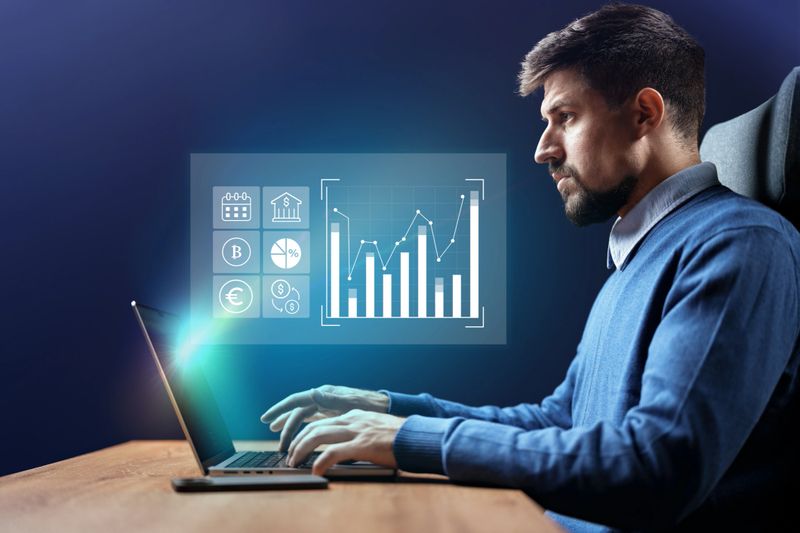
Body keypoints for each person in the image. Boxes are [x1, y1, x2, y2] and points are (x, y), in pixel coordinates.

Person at [260, 4, 800, 531]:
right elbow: (559, 421)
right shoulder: (641, 252)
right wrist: (393, 412)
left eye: (565, 117)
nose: (543, 149)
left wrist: (409, 441)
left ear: (644, 114)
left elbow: (658, 467)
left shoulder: (739, 246)